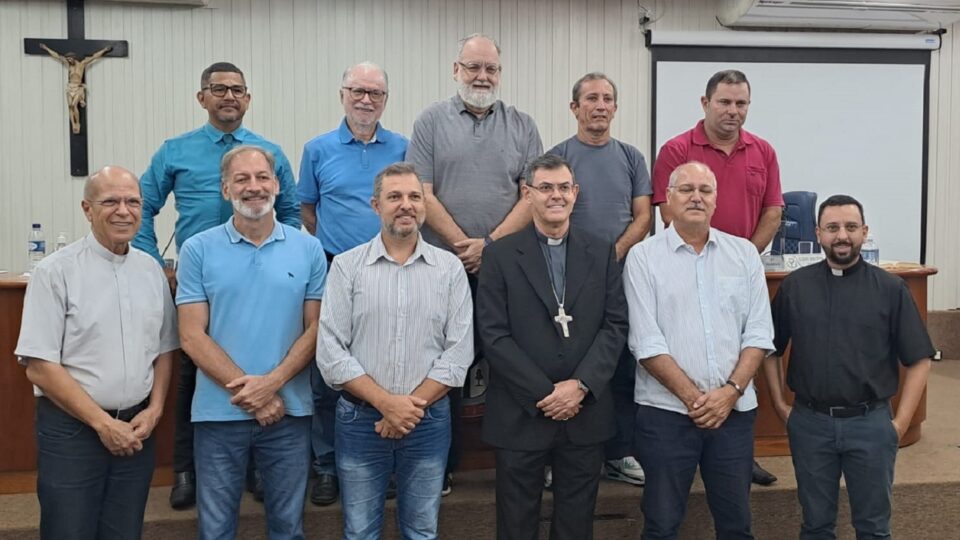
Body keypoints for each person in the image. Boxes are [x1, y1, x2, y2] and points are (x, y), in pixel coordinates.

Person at [133, 61, 301, 509]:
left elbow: (290, 215)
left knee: (259, 361)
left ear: (248, 99)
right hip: (200, 280)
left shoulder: (269, 153)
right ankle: (186, 470)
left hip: (261, 275)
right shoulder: (175, 150)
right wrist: (156, 264)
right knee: (194, 376)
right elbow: (142, 207)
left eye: (238, 90)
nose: (229, 97)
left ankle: (257, 468)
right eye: (219, 89)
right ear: (201, 97)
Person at [406, 32, 543, 492]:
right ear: (455, 70)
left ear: (500, 74)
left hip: (505, 267)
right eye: (473, 67)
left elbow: (533, 194)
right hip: (441, 269)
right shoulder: (429, 122)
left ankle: (517, 460)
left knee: (511, 361)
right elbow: (422, 193)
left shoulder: (523, 125)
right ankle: (442, 465)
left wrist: (490, 245)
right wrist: (465, 244)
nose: (482, 76)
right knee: (441, 364)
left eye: (491, 68)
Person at [15, 166, 178, 539]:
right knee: (68, 529)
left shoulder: (151, 271)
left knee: (124, 530)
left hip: (138, 428)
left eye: (133, 201)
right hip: (72, 431)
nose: (124, 210)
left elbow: (166, 348)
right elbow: (39, 366)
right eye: (111, 201)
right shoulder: (55, 272)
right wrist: (104, 425)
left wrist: (154, 411)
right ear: (87, 209)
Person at [176, 145, 326, 540]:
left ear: (276, 185)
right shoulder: (196, 250)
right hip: (217, 414)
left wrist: (271, 384)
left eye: (262, 177)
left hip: (289, 413)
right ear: (225, 189)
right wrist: (254, 390)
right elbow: (191, 336)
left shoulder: (308, 248)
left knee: (288, 528)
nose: (254, 187)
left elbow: (316, 330)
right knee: (215, 530)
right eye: (242, 179)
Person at [317, 162, 474, 539]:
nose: (406, 205)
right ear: (375, 205)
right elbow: (331, 353)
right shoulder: (346, 267)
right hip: (360, 421)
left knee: (421, 529)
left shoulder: (449, 269)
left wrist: (406, 409)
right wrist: (387, 404)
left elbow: (458, 354)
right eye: (395, 197)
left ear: (424, 206)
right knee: (359, 531)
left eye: (414, 197)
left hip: (428, 423)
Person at [764, 194, 934, 540]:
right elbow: (769, 350)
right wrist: (782, 407)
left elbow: (918, 359)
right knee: (816, 526)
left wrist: (899, 425)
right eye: (833, 228)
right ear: (818, 233)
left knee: (873, 528)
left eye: (851, 227)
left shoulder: (890, 288)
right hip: (810, 425)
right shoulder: (795, 287)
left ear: (864, 231)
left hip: (870, 424)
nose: (842, 235)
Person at [477, 154, 628, 540]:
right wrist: (546, 393)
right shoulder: (499, 255)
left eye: (563, 187)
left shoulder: (601, 250)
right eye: (545, 188)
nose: (555, 196)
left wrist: (579, 387)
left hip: (585, 412)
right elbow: (493, 335)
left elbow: (615, 326)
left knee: (577, 524)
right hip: (522, 413)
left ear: (575, 193)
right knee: (516, 524)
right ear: (527, 194)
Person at [624, 161, 774, 539]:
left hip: (733, 414)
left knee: (736, 524)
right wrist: (696, 399)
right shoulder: (644, 258)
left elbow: (758, 333)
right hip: (666, 414)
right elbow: (645, 340)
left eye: (705, 190)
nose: (696, 197)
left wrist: (729, 394)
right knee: (661, 524)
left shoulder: (743, 255)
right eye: (686, 189)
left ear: (716, 200)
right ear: (668, 200)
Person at [652, 69, 784, 485]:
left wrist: (740, 256)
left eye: (741, 103)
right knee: (692, 347)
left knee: (745, 349)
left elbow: (773, 212)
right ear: (705, 103)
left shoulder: (763, 151)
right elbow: (667, 209)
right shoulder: (676, 149)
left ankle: (741, 456)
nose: (733, 111)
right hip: (685, 264)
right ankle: (688, 444)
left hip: (738, 270)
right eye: (724, 102)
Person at [298, 61, 407, 506]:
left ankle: (389, 463)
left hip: (394, 268)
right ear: (342, 94)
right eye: (358, 91)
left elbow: (407, 204)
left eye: (375, 94)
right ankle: (326, 465)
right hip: (334, 269)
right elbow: (308, 211)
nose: (366, 100)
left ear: (385, 100)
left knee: (390, 365)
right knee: (329, 372)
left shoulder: (403, 146)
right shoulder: (317, 149)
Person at [547, 72, 651, 487]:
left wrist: (612, 255)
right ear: (575, 108)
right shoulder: (557, 156)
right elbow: (548, 213)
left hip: (620, 278)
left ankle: (618, 453)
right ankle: (556, 456)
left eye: (608, 98)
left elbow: (643, 216)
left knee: (621, 368)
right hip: (567, 283)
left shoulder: (631, 157)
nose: (600, 105)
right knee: (565, 365)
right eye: (591, 98)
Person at [38, 43, 111, 134]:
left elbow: (94, 57)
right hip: (70, 87)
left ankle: (77, 122)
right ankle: (73, 124)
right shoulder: (69, 66)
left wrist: (104, 50)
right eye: (68, 60)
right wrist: (46, 48)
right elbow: (56, 56)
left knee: (73, 105)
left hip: (78, 88)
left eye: (70, 59)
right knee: (70, 106)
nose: (69, 61)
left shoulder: (82, 64)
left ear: (73, 57)